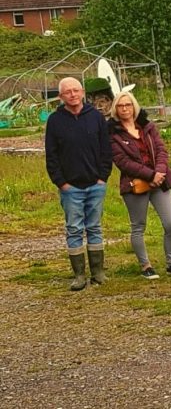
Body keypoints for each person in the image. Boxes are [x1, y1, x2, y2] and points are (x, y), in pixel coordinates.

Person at [108, 91, 171, 280]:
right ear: (115, 109)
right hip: (136, 184)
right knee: (138, 226)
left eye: (128, 104)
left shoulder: (148, 127)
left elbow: (161, 150)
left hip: (160, 181)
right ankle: (145, 266)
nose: (125, 108)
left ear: (134, 106)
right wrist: (150, 175)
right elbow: (122, 161)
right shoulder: (113, 134)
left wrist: (158, 172)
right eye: (120, 105)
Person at [45, 77, 112, 291]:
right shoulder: (55, 121)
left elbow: (106, 150)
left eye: (76, 90)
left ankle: (98, 272)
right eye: (68, 92)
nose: (72, 95)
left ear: (82, 92)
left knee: (95, 227)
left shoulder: (95, 117)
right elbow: (51, 156)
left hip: (95, 184)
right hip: (70, 188)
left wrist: (103, 177)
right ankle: (79, 275)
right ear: (61, 96)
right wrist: (61, 183)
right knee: (74, 229)